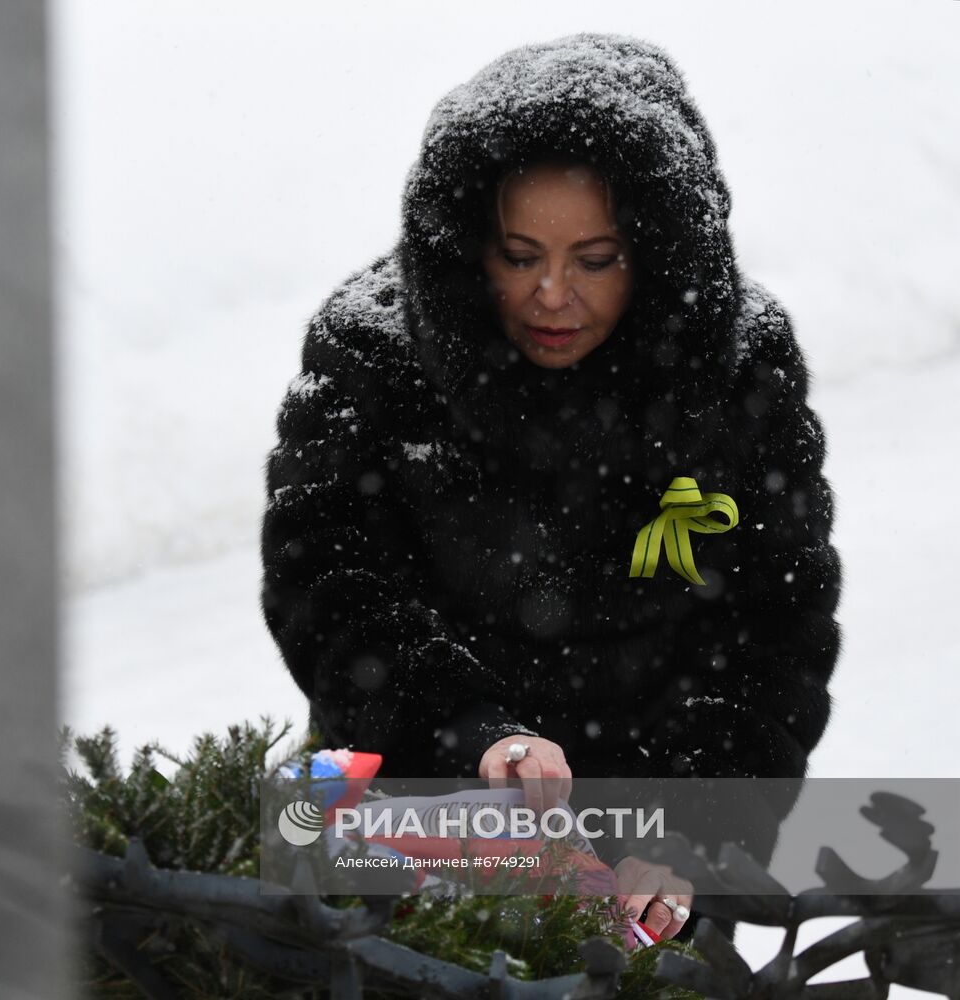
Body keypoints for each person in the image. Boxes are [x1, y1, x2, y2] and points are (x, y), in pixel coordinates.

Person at [258, 33, 841, 943]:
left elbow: (776, 623)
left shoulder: (737, 365)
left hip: (650, 845)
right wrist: (471, 736)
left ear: (656, 251)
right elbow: (329, 584)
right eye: (518, 254)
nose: (552, 295)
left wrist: (689, 829)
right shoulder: (373, 348)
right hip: (419, 820)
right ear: (466, 245)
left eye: (596, 259)